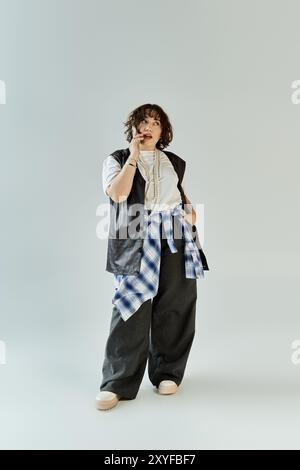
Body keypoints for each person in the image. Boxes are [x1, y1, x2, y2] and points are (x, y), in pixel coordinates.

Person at [96, 103, 209, 411]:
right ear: (132, 128)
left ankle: (167, 372)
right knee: (131, 306)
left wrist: (188, 217)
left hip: (174, 236)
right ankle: (117, 383)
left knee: (176, 304)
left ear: (163, 131)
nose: (148, 126)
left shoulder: (174, 162)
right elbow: (118, 194)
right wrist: (133, 155)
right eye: (142, 121)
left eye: (155, 122)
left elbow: (187, 206)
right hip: (135, 237)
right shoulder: (117, 159)